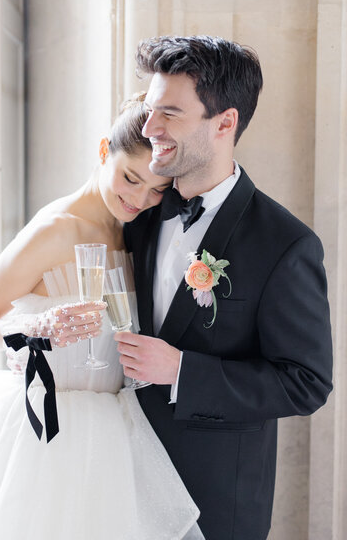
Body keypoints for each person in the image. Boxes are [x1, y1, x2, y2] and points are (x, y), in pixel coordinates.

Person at [0, 94, 204, 540]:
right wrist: (31, 330)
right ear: (104, 151)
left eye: (156, 189)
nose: (140, 198)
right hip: (49, 434)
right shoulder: (55, 229)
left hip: (114, 435)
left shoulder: (133, 234)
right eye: (129, 178)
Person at [116, 36, 333, 540]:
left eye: (170, 113)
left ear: (225, 123)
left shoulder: (286, 244)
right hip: (120, 482)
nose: (150, 129)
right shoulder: (138, 215)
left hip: (214, 501)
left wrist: (183, 371)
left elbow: (306, 383)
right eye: (150, 111)